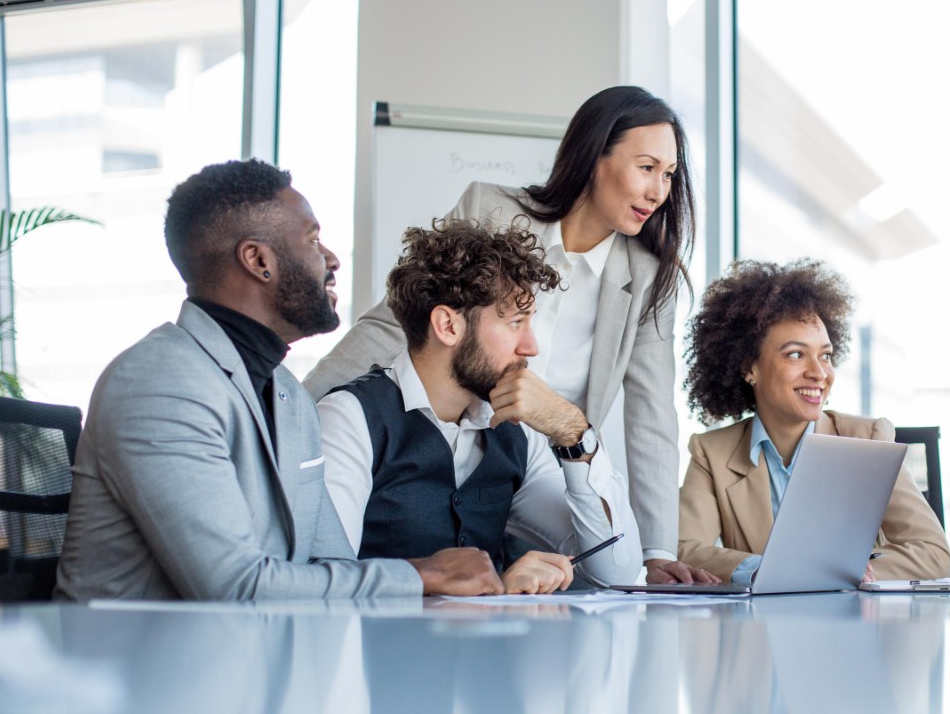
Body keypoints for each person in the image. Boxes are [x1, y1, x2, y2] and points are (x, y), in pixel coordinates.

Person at [304, 85, 709, 584]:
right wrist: (298, 415)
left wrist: (656, 550)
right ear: (593, 155)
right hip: (454, 435)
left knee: (568, 579)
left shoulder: (648, 274)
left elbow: (651, 415)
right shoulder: (491, 207)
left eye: (669, 174)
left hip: (540, 464)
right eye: (646, 168)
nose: (659, 191)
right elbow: (395, 320)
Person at [55, 159, 503, 601]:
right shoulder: (160, 384)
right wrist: (422, 574)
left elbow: (334, 566)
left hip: (249, 657)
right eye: (313, 240)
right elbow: (234, 587)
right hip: (141, 666)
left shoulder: (288, 394)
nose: (330, 259)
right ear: (258, 260)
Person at [318, 220, 643, 592]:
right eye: (516, 323)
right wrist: (497, 587)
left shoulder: (517, 434)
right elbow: (327, 582)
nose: (531, 347)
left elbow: (616, 570)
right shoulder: (349, 418)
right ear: (448, 326)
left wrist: (572, 431)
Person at [677, 259, 950, 584]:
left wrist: (844, 572)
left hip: (851, 627)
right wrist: (765, 568)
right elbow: (685, 549)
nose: (819, 373)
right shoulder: (712, 452)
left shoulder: (867, 439)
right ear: (749, 367)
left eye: (825, 355)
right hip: (761, 629)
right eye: (795, 354)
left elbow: (934, 554)